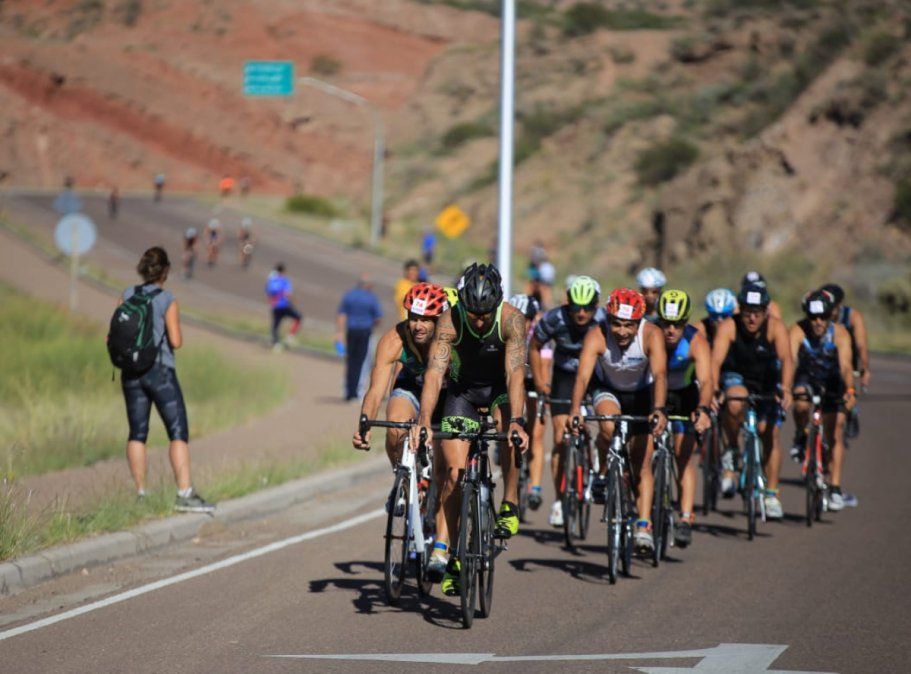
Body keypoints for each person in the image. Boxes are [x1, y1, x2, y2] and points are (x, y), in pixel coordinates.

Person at [411, 263, 529, 595]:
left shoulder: (512, 319)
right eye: (472, 314)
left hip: (498, 390)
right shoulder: (450, 320)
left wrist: (517, 421)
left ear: (497, 304)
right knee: (453, 474)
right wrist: (424, 420)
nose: (478, 321)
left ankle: (510, 502)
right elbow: (435, 373)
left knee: (510, 434)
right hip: (462, 393)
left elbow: (515, 373)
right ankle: (451, 552)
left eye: (484, 314)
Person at [569, 288, 668, 556]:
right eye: (616, 324)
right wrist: (575, 409)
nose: (622, 332)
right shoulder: (597, 335)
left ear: (639, 322)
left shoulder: (651, 334)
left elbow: (660, 374)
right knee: (608, 424)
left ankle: (643, 526)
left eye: (629, 325)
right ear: (608, 320)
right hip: (608, 389)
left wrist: (659, 409)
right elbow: (582, 376)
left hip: (642, 394)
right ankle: (605, 471)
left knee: (642, 464)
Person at [118, 247, 214, 512]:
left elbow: (114, 335)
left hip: (130, 372)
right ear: (166, 271)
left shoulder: (127, 294)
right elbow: (176, 340)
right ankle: (184, 493)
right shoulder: (167, 299)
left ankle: (141, 494)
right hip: (160, 371)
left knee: (137, 432)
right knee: (177, 431)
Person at [711, 282, 793, 519]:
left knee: (770, 433)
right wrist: (714, 390)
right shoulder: (729, 326)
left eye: (757, 313)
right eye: (747, 312)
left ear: (766, 312)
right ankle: (732, 447)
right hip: (737, 376)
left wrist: (786, 388)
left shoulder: (775, 327)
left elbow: (787, 359)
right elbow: (715, 361)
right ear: (740, 311)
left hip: (766, 380)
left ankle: (771, 494)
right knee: (735, 399)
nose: (752, 319)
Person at [529, 275, 606, 528]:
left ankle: (597, 463)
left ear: (595, 306)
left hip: (595, 376)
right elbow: (534, 346)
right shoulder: (555, 318)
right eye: (576, 307)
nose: (581, 313)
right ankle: (560, 500)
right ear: (568, 304)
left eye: (587, 308)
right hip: (564, 377)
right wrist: (540, 382)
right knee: (561, 437)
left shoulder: (604, 320)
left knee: (607, 425)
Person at [354, 283, 449, 465]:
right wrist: (364, 427)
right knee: (396, 429)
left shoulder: (451, 339)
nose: (418, 326)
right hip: (412, 386)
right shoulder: (393, 340)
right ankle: (402, 478)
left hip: (446, 391)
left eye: (425, 320)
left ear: (438, 320)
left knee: (446, 466)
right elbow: (375, 391)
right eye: (413, 318)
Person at [656, 289, 713, 547]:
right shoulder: (650, 334)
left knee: (683, 455)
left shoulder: (695, 340)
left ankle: (686, 518)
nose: (670, 330)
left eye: (677, 324)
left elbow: (707, 380)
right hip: (654, 393)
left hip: (684, 396)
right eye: (666, 323)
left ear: (685, 322)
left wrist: (703, 409)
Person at [789, 290, 855, 511]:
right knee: (800, 402)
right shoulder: (797, 330)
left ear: (830, 316)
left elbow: (846, 366)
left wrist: (850, 390)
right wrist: (785, 387)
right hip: (806, 376)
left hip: (832, 380)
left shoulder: (841, 333)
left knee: (835, 430)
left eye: (823, 317)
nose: (818, 322)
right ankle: (801, 435)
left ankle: (834, 487)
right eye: (813, 317)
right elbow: (790, 360)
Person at [508, 292, 546, 513]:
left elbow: (545, 370)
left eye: (526, 319)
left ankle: (535, 487)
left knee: (537, 432)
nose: (522, 324)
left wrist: (543, 392)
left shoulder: (540, 334)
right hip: (513, 378)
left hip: (535, 378)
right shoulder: (507, 331)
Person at [821, 282, 869, 440]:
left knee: (846, 385)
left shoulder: (853, 316)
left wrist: (864, 368)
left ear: (839, 304)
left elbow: (861, 344)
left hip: (848, 358)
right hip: (825, 358)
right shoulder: (820, 317)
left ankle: (851, 412)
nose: (831, 311)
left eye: (833, 307)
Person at [336, 274, 383, 401]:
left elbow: (342, 315)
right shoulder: (371, 298)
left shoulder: (350, 295)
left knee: (350, 360)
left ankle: (348, 390)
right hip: (364, 332)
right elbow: (378, 318)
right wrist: (370, 324)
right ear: (368, 285)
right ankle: (355, 392)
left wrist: (340, 332)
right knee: (360, 362)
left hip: (351, 330)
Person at [265, 263, 302, 350]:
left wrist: (272, 303)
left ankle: (276, 343)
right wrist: (294, 301)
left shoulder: (271, 281)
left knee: (275, 326)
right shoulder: (285, 280)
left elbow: (269, 294)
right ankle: (290, 336)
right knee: (298, 317)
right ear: (283, 271)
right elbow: (287, 293)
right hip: (285, 306)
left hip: (276, 307)